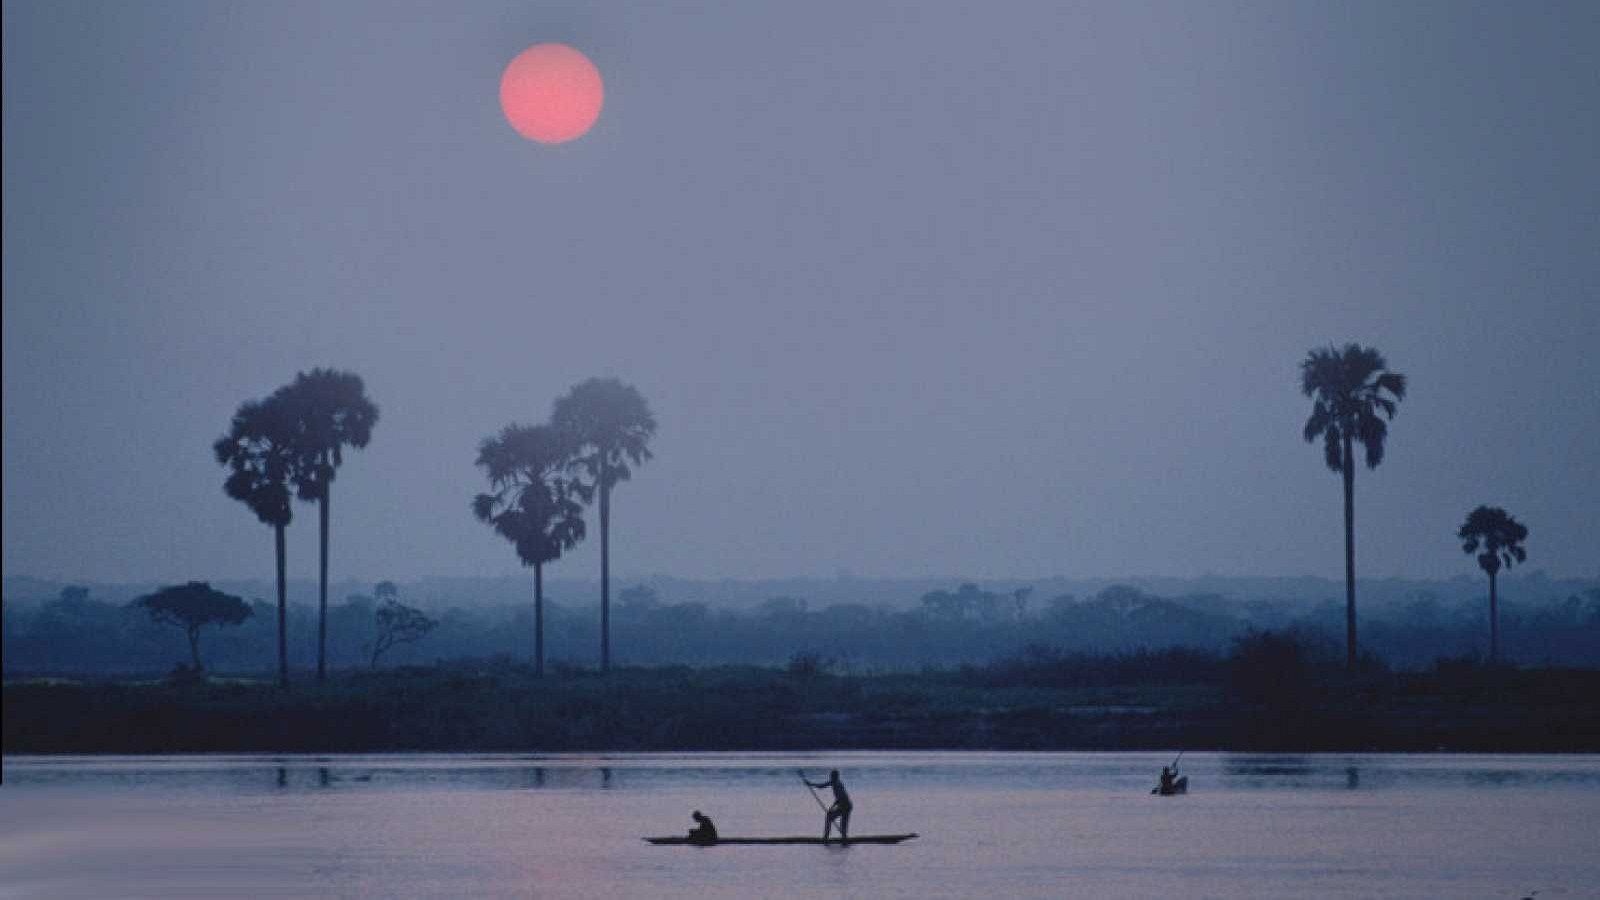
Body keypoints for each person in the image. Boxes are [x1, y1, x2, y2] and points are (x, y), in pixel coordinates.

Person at [803, 769, 853, 843]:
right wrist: (810, 784)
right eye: (831, 776)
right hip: (844, 805)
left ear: (836, 777)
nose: (831, 777)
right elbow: (821, 786)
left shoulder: (838, 784)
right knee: (831, 817)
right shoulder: (833, 782)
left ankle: (831, 838)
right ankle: (833, 837)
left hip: (846, 806)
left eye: (832, 776)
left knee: (831, 817)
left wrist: (832, 808)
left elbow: (840, 798)